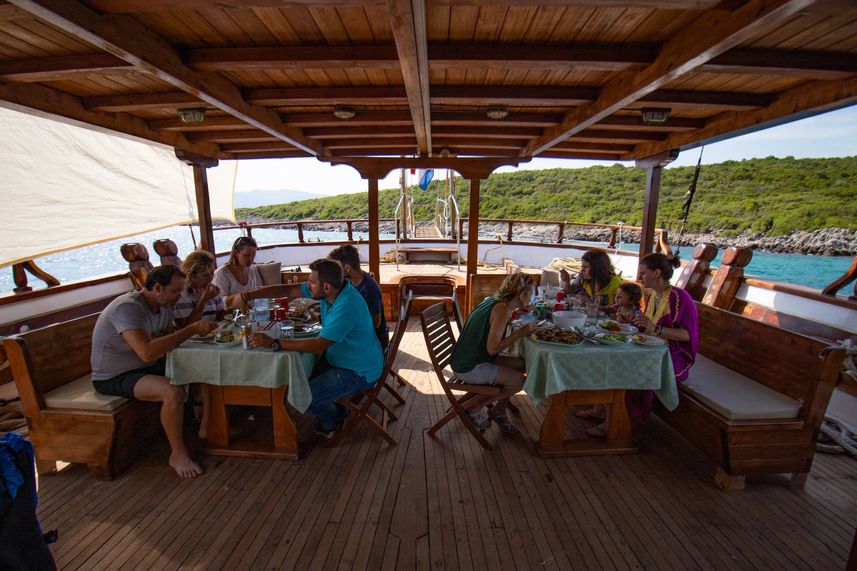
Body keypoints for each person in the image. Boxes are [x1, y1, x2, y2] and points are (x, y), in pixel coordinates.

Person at [90, 266, 217, 479]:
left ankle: (209, 427)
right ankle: (177, 454)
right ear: (157, 287)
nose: (179, 296)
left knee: (204, 367)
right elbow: (147, 352)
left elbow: (170, 337)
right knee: (172, 391)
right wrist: (192, 329)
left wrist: (193, 325)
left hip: (145, 368)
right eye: (176, 291)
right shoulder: (127, 308)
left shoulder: (163, 304)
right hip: (115, 375)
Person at [249, 259, 383, 438]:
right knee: (299, 378)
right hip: (344, 359)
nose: (307, 286)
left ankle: (335, 418)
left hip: (359, 371)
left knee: (304, 396)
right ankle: (335, 408)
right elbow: (288, 290)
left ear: (326, 287)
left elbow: (318, 345)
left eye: (311, 282)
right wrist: (248, 295)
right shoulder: (335, 291)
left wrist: (275, 342)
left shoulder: (346, 306)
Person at [449, 272, 538, 434]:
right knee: (520, 382)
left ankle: (499, 410)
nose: (533, 298)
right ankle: (476, 407)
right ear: (523, 294)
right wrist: (520, 332)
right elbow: (493, 349)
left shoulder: (494, 301)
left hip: (468, 358)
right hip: (469, 367)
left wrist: (515, 314)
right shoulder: (502, 310)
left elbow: (492, 326)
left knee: (522, 364)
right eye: (531, 294)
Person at [628, 252, 699, 422]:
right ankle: (606, 411)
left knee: (634, 369)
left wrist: (656, 328)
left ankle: (629, 418)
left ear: (657, 273)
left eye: (644, 273)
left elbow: (688, 335)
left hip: (674, 356)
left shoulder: (679, 298)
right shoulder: (654, 295)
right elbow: (647, 327)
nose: (640, 276)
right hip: (653, 349)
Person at [174, 250, 224, 439]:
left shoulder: (211, 288)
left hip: (210, 341)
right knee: (209, 370)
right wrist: (204, 300)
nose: (210, 277)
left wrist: (220, 308)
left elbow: (220, 316)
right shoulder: (182, 296)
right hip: (188, 346)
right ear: (191, 274)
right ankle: (208, 424)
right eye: (205, 275)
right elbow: (185, 328)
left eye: (212, 273)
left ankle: (224, 417)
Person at [328, 244, 388, 350]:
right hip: (360, 336)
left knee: (327, 348)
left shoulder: (368, 289)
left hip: (371, 343)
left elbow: (376, 323)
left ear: (347, 268)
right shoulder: (350, 282)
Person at [213, 236, 262, 310]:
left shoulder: (250, 270)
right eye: (246, 255)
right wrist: (241, 297)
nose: (251, 259)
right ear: (236, 253)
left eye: (253, 255)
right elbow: (218, 302)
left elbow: (253, 299)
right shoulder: (222, 273)